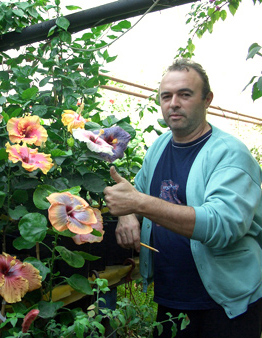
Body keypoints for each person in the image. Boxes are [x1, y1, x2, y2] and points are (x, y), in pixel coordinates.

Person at [103, 58, 262, 338]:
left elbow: (222, 225)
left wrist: (137, 204)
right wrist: (128, 214)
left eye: (184, 94)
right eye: (167, 96)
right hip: (171, 296)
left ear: (207, 99)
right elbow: (136, 193)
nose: (173, 103)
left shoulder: (230, 154)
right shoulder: (161, 145)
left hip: (224, 302)